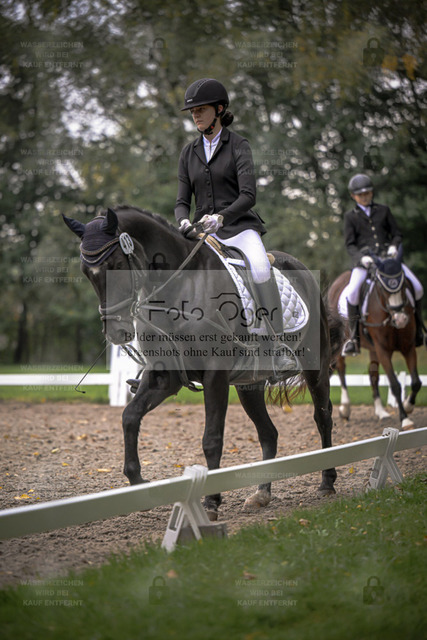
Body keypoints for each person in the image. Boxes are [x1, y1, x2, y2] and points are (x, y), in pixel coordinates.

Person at [175, 78, 295, 369]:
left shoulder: (238, 145)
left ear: (219, 109)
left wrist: (221, 217)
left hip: (238, 227)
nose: (195, 115)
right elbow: (181, 201)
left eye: (201, 109)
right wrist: (183, 221)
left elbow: (248, 195)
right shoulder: (188, 152)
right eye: (193, 111)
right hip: (202, 233)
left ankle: (276, 345)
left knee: (261, 266)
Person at [342, 173, 425, 355]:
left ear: (371, 193)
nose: (364, 197)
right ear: (353, 196)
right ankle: (353, 339)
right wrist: (361, 258)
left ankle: (419, 331)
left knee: (417, 287)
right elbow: (350, 245)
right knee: (352, 293)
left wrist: (394, 246)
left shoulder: (383, 210)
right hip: (365, 264)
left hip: (389, 262)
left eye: (367, 193)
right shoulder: (350, 217)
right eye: (360, 194)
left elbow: (396, 234)